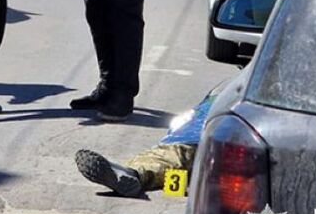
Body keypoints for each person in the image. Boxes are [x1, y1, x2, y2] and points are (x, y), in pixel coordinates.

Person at [74, 83, 221, 197]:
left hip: (209, 138)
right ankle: (131, 173)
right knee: (177, 154)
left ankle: (134, 174)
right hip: (209, 135)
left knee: (177, 153)